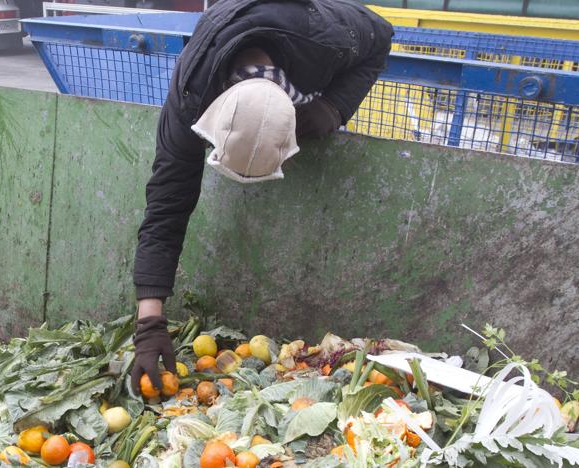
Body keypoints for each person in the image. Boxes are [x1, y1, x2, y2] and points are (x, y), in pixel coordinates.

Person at [130, 0, 394, 393]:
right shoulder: (188, 99)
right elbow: (167, 205)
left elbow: (383, 35)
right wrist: (149, 322)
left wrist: (333, 108)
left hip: (299, 34)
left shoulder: (328, 38)